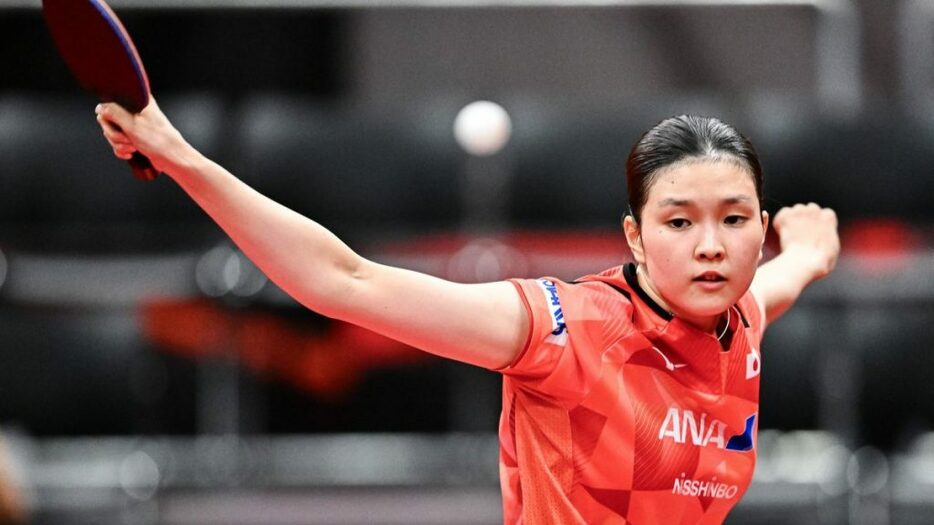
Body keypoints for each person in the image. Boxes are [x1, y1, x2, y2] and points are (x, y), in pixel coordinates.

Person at [95, 102, 839, 524]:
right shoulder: (562, 331)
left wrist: (807, 249)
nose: (711, 246)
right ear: (636, 238)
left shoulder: (739, 322)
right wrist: (183, 157)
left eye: (734, 219)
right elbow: (342, 280)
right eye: (680, 222)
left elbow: (775, 283)